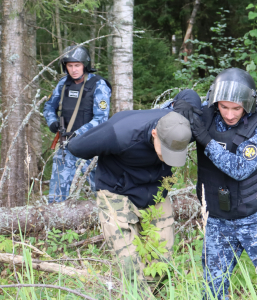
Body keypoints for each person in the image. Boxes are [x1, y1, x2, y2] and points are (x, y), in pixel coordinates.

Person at [67, 94, 197, 288]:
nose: (169, 157)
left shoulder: (182, 129)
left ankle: (152, 292)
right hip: (118, 191)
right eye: (166, 152)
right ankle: (136, 292)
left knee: (162, 258)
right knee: (129, 262)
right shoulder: (120, 133)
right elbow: (76, 147)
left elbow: (189, 95)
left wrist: (188, 104)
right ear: (155, 134)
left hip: (157, 190)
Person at [181, 68, 257, 300]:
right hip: (218, 219)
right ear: (215, 102)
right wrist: (183, 106)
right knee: (213, 290)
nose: (229, 114)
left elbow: (240, 168)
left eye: (236, 108)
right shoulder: (207, 117)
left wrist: (206, 141)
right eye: (224, 107)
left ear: (249, 104)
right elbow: (167, 120)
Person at [43, 45, 111, 203]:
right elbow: (48, 106)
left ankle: (108, 223)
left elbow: (101, 118)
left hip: (92, 146)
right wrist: (52, 122)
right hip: (66, 145)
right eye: (70, 66)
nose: (73, 70)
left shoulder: (98, 85)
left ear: (85, 65)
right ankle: (56, 224)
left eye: (77, 65)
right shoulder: (63, 84)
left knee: (103, 193)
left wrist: (79, 133)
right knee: (57, 194)